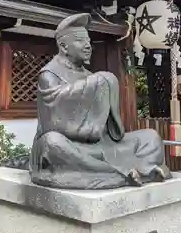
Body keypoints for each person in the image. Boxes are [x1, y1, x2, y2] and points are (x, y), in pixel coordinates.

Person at [28, 13, 171, 189]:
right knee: (52, 143)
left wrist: (98, 86)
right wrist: (98, 83)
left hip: (99, 146)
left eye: (88, 41)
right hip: (72, 145)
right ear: (64, 46)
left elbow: (108, 128)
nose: (88, 46)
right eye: (81, 41)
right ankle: (123, 173)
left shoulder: (89, 76)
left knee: (151, 138)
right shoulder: (49, 75)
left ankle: (131, 171)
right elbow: (54, 121)